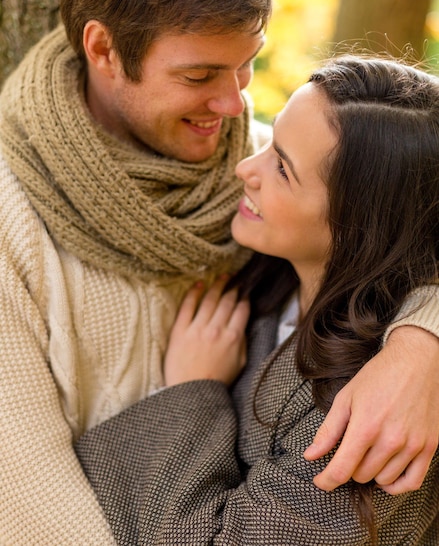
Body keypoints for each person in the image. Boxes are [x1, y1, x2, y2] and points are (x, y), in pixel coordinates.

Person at [0, 0, 437, 542]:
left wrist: (424, 344)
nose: (236, 110)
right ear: (102, 50)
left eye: (248, 65)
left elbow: (407, 224)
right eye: (199, 76)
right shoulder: (12, 229)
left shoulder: (284, 189)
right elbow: (33, 508)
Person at [75, 55, 439, 545]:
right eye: (272, 142)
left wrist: (192, 391)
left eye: (282, 169)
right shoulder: (277, 279)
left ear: (359, 225)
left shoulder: (373, 418)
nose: (246, 167)